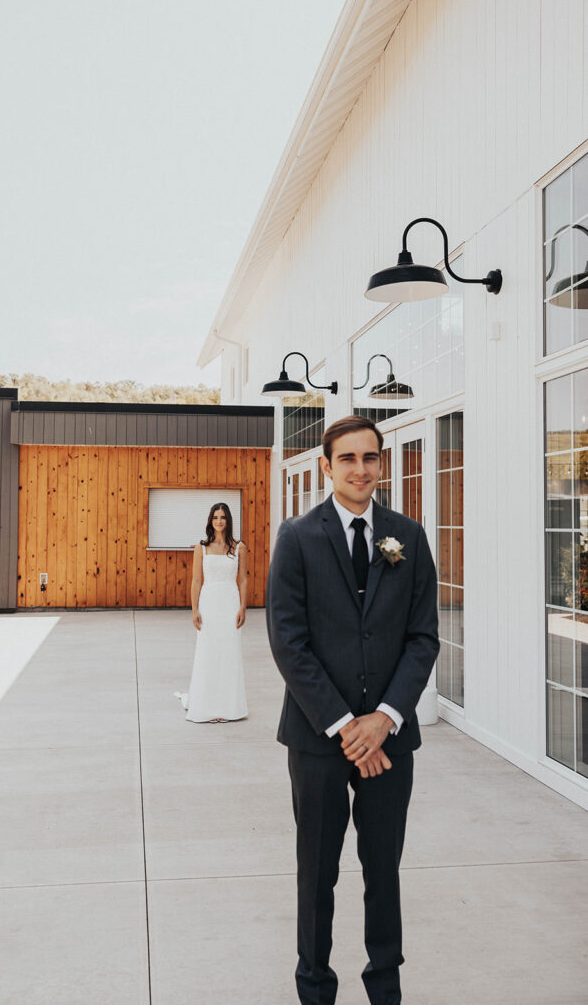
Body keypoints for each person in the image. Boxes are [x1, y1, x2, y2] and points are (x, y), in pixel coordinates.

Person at [266, 415, 439, 1005]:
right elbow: (289, 641)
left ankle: (384, 988)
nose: (360, 469)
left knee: (383, 871)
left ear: (382, 465)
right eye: (348, 459)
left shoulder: (408, 538)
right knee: (317, 872)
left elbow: (422, 638)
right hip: (319, 739)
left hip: (390, 740)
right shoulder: (296, 537)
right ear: (326, 466)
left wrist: (385, 719)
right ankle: (314, 988)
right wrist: (347, 727)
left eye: (370, 458)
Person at [176, 502, 248, 723]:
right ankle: (206, 705)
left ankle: (227, 707)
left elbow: (244, 579)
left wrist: (243, 607)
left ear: (228, 521)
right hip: (209, 602)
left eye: (223, 517)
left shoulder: (239, 547)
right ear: (210, 521)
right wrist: (195, 608)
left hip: (230, 602)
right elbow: (196, 580)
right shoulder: (201, 548)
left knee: (228, 652)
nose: (219, 521)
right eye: (215, 517)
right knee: (208, 652)